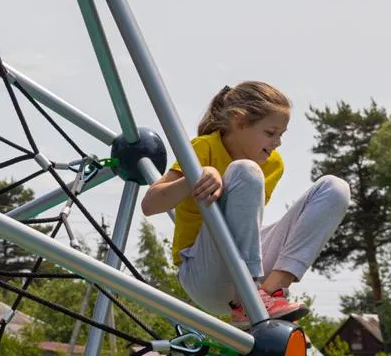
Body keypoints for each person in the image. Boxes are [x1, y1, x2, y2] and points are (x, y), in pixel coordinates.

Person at [140, 81, 351, 324]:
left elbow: (247, 226)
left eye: (281, 135)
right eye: (270, 133)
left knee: (335, 188)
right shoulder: (204, 147)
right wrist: (195, 178)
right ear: (239, 122)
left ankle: (270, 291)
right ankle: (250, 295)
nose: (277, 143)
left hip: (248, 266)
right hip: (204, 275)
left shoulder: (273, 165)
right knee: (244, 170)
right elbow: (150, 205)